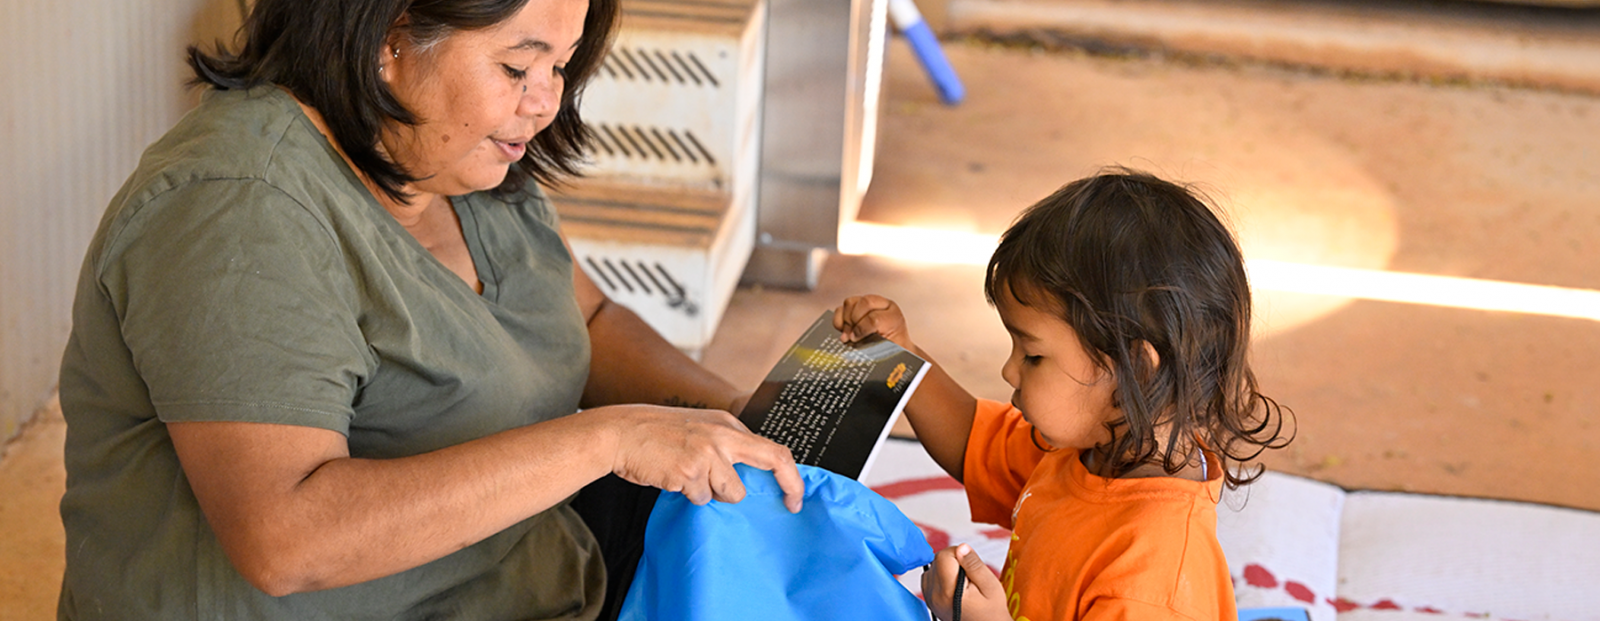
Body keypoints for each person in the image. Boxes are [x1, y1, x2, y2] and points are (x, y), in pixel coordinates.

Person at [55, 0, 804, 619]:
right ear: (390, 37)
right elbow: (287, 540)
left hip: (537, 574)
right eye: (517, 65)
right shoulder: (238, 209)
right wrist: (608, 439)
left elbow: (586, 317)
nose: (544, 102)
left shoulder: (456, 155)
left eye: (560, 66)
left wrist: (740, 416)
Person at [834, 170, 1294, 620]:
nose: (1008, 370)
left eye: (1032, 356)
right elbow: (977, 443)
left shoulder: (1154, 584)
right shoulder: (1086, 450)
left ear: (1134, 369)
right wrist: (902, 355)